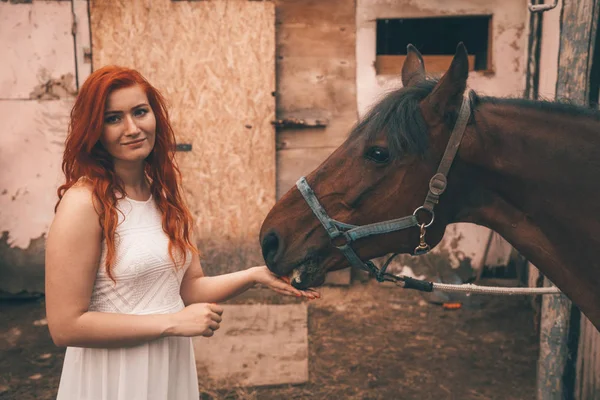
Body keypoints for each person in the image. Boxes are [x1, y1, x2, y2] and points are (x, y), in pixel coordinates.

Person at [45, 65, 319, 400]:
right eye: (113, 118)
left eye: (140, 112)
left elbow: (189, 289)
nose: (132, 128)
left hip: (168, 365)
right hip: (113, 376)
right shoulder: (84, 203)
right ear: (94, 129)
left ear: (154, 116)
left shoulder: (163, 195)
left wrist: (253, 276)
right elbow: (65, 326)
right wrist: (172, 323)